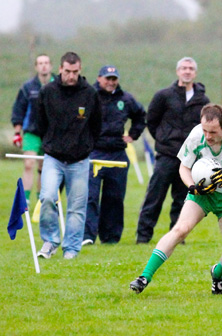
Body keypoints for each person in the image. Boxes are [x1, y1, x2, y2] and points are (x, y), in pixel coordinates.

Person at [129, 103, 222, 295]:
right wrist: (192, 186)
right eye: (205, 130)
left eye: (213, 132)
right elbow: (184, 167)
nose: (208, 136)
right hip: (201, 193)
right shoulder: (196, 135)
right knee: (180, 229)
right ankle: (144, 277)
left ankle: (217, 274)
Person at [136, 57, 210, 244]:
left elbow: (205, 127)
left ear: (195, 73)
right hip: (167, 155)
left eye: (191, 68)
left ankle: (177, 237)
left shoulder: (202, 99)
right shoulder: (164, 95)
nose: (187, 71)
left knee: (182, 199)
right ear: (178, 71)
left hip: (188, 159)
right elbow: (152, 120)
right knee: (155, 196)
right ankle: (143, 237)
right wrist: (163, 138)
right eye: (184, 68)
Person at [36, 51, 102, 259]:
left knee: (76, 206)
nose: (71, 75)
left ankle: (71, 248)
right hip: (53, 157)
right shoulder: (47, 92)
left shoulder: (90, 94)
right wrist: (50, 142)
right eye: (67, 71)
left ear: (80, 70)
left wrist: (87, 145)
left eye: (75, 72)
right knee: (47, 197)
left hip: (80, 160)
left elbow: (96, 125)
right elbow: (40, 122)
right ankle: (50, 241)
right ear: (60, 70)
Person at [82, 65, 146, 246]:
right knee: (90, 196)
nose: (111, 82)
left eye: (113, 79)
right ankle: (87, 235)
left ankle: (110, 237)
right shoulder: (89, 96)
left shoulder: (125, 99)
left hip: (117, 153)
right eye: (107, 78)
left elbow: (141, 116)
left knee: (114, 197)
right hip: (94, 152)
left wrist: (133, 135)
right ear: (99, 78)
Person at [11, 54, 57, 205]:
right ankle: (25, 200)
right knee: (29, 163)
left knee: (44, 168)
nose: (43, 66)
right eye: (40, 63)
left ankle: (41, 201)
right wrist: (17, 132)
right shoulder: (28, 87)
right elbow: (19, 109)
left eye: (46, 63)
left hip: (51, 133)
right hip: (31, 131)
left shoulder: (58, 84)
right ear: (36, 67)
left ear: (50, 66)